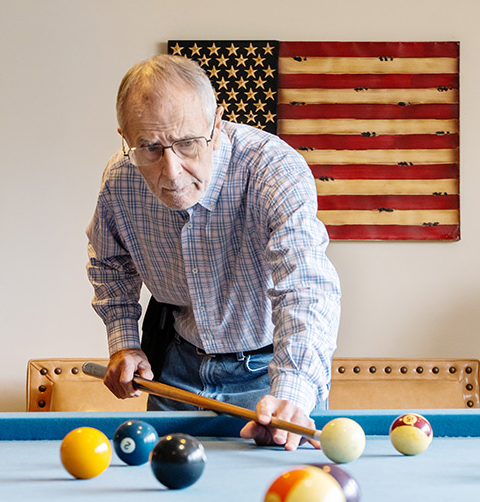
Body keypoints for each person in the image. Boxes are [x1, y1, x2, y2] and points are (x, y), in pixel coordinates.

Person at [86, 54, 341, 449]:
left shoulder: (272, 169)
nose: (170, 172)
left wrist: (293, 388)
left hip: (270, 374)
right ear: (125, 137)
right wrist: (124, 341)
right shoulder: (120, 179)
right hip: (175, 373)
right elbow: (110, 264)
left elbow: (305, 287)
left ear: (217, 124)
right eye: (150, 148)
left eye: (187, 143)